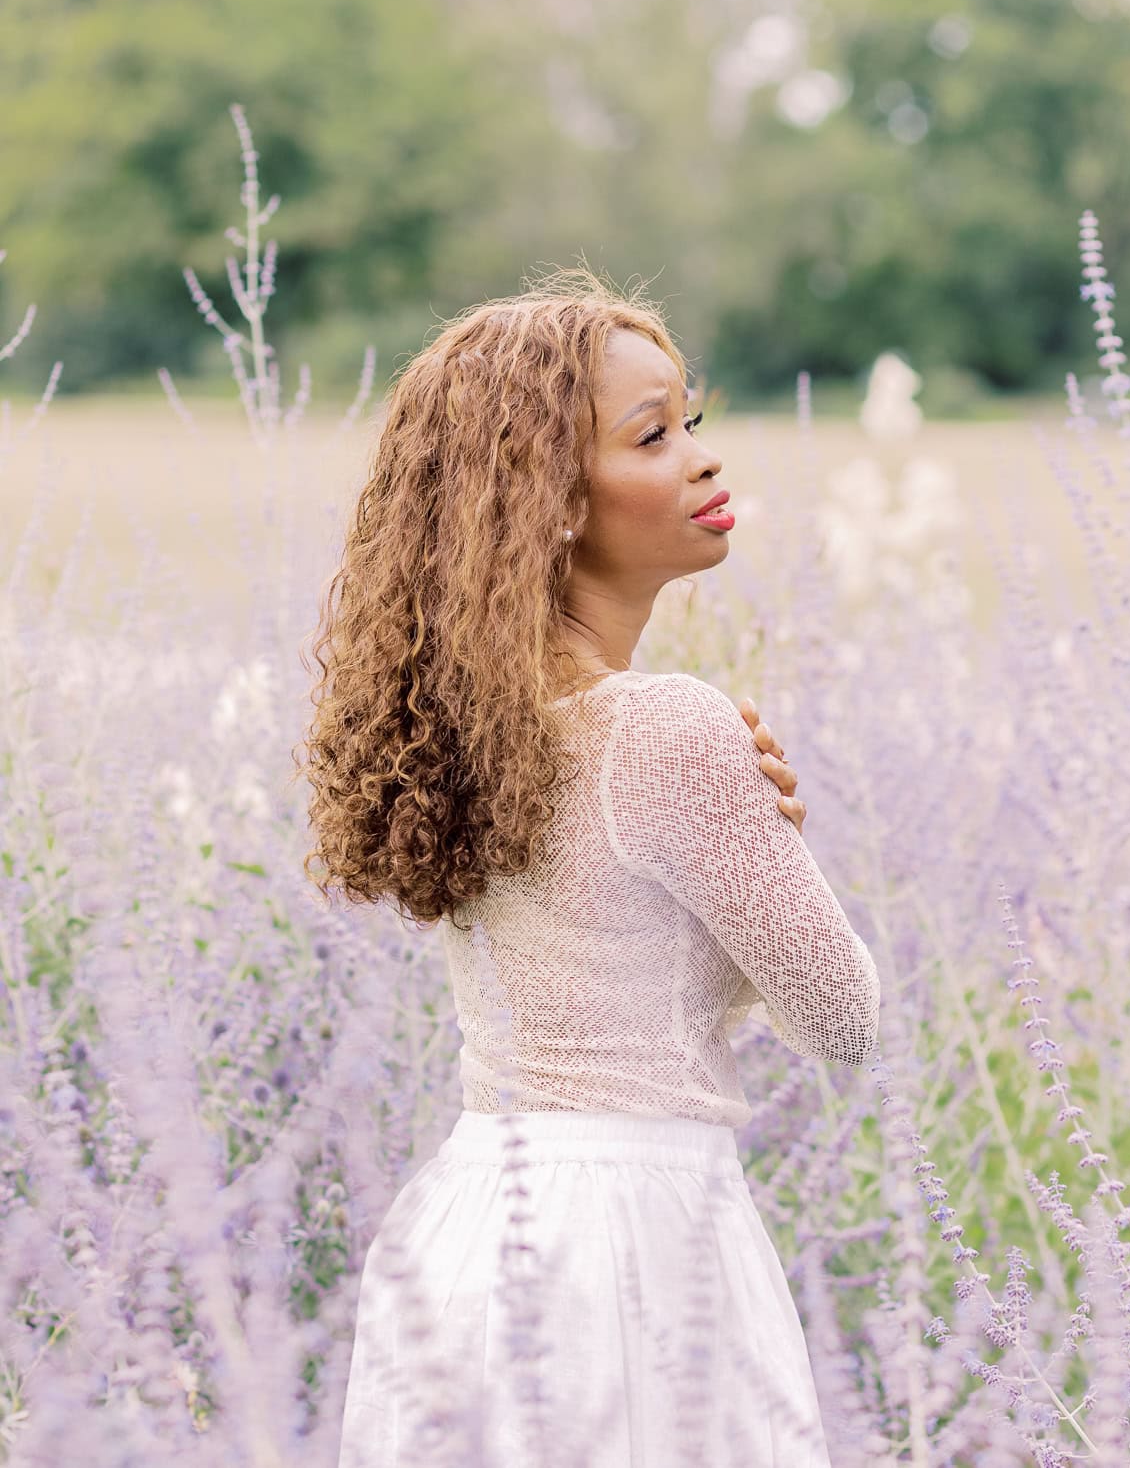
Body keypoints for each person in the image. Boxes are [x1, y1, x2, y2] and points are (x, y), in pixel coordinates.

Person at [298, 264, 881, 1467]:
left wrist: (736, 855)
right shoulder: (668, 729)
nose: (705, 461)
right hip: (635, 1250)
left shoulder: (470, 731)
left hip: (465, 1233)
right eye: (654, 435)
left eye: (694, 424)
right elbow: (844, 1017)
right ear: (550, 498)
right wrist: (764, 861)